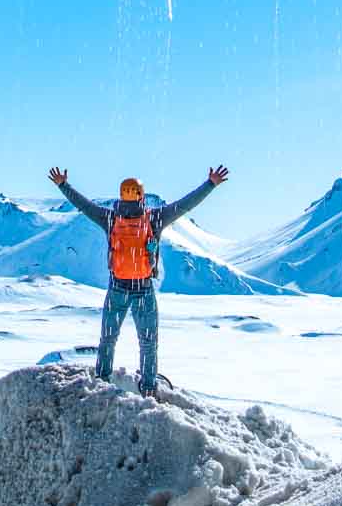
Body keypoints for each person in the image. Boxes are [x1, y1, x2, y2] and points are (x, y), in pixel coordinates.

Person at [47, 164, 229, 396]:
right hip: (143, 288)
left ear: (121, 195)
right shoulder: (155, 218)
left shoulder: (110, 218)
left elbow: (84, 206)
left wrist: (63, 185)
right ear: (141, 196)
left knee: (108, 339)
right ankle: (149, 388)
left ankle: (102, 382)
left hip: (117, 288)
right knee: (148, 342)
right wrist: (210, 184)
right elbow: (185, 205)